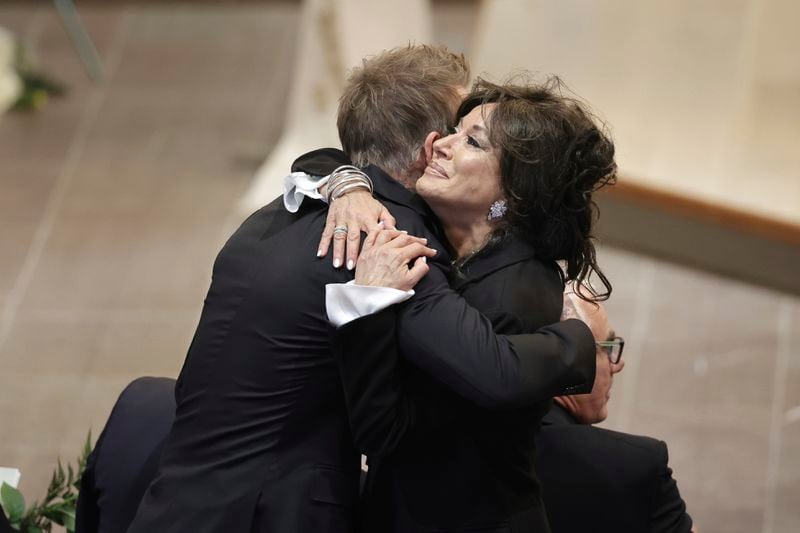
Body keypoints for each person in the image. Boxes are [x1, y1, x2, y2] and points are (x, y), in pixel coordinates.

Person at [126, 45, 596, 533]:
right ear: (427, 147)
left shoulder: (279, 213)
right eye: (456, 130)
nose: (450, 144)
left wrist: (342, 178)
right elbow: (488, 371)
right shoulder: (391, 246)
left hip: (175, 498)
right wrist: (580, 342)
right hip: (270, 514)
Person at [322, 78, 616, 532]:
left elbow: (384, 430)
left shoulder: (511, 296)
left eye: (472, 141)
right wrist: (348, 185)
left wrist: (371, 299)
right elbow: (334, 156)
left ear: (513, 195)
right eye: (455, 129)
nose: (440, 144)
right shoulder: (471, 252)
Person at [535, 288, 696, 533]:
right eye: (607, 348)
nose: (617, 364)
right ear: (566, 357)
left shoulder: (473, 438)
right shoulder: (638, 466)